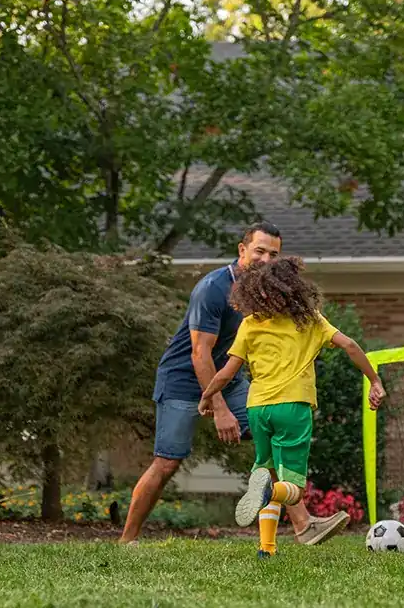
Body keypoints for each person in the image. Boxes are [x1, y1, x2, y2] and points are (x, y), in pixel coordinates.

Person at [119, 223, 350, 546]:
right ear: (242, 250)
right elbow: (200, 354)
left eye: (273, 254)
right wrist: (219, 408)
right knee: (167, 461)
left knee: (268, 441)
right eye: (259, 250)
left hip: (228, 380)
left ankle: (303, 526)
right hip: (182, 380)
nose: (266, 258)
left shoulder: (265, 291)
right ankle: (127, 540)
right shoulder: (213, 288)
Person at [197, 256, 386, 558]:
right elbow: (350, 346)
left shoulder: (249, 324)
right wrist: (374, 380)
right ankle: (268, 493)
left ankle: (266, 548)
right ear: (293, 291)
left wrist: (208, 396)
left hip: (257, 409)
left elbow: (227, 371)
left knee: (268, 471)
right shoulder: (310, 320)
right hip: (293, 407)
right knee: (291, 486)